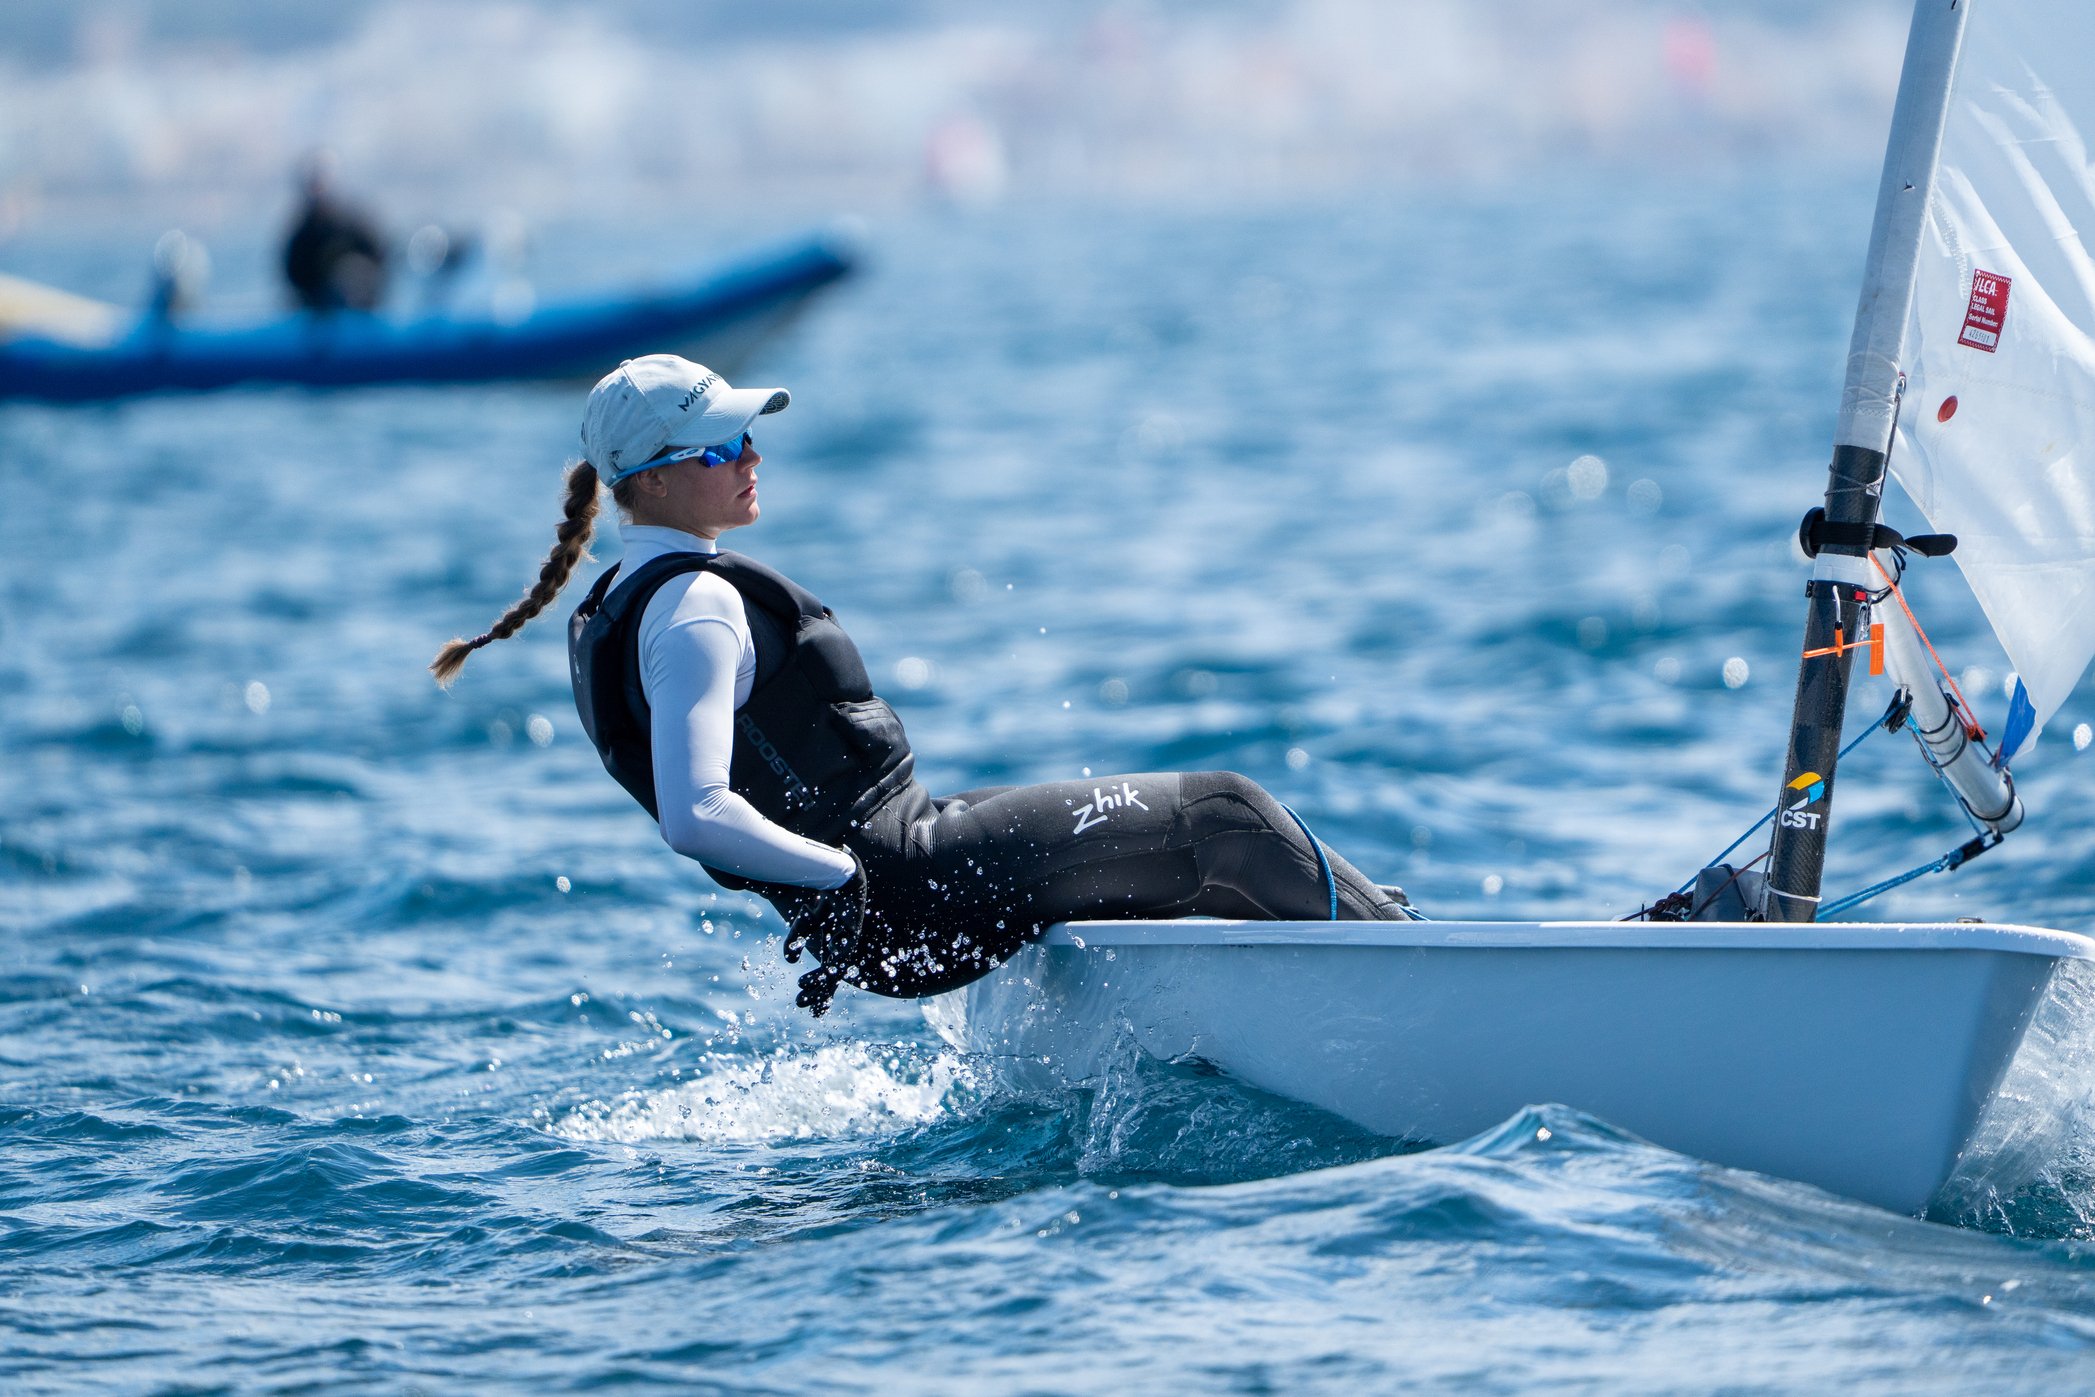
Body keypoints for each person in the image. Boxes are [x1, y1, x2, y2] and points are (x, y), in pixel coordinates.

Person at [430, 355, 1413, 1015]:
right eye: (722, 447)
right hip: (902, 883)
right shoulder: (695, 607)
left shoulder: (620, 604)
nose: (751, 456)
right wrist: (839, 877)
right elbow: (695, 814)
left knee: (1177, 853)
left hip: (889, 893)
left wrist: (837, 889)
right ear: (649, 480)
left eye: (747, 434)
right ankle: (1418, 965)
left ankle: (1348, 941)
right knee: (1227, 816)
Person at [281, 153, 388, 313]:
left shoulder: (355, 222)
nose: (318, 190)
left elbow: (379, 256)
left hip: (363, 305)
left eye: (321, 183)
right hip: (318, 306)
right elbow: (294, 277)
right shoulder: (302, 235)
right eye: (313, 184)